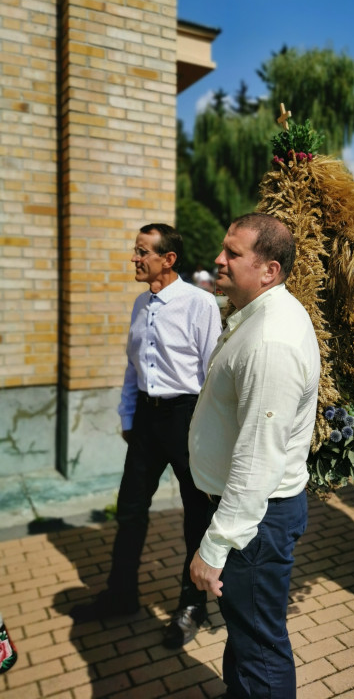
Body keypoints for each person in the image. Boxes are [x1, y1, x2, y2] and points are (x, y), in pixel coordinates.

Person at [70, 223, 222, 651]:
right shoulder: (141, 303)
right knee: (130, 509)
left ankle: (192, 606)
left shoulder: (199, 303)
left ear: (167, 259)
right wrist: (127, 415)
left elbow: (213, 373)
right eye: (135, 251)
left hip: (187, 418)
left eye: (142, 252)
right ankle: (121, 596)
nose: (135, 259)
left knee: (197, 514)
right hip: (146, 421)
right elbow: (134, 367)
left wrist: (210, 431)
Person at [188, 213, 320, 698]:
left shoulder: (271, 340)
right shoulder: (258, 316)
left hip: (254, 524)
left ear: (269, 270)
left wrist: (215, 545)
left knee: (260, 648)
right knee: (246, 637)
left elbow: (258, 456)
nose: (218, 260)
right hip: (250, 518)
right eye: (223, 249)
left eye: (233, 253)